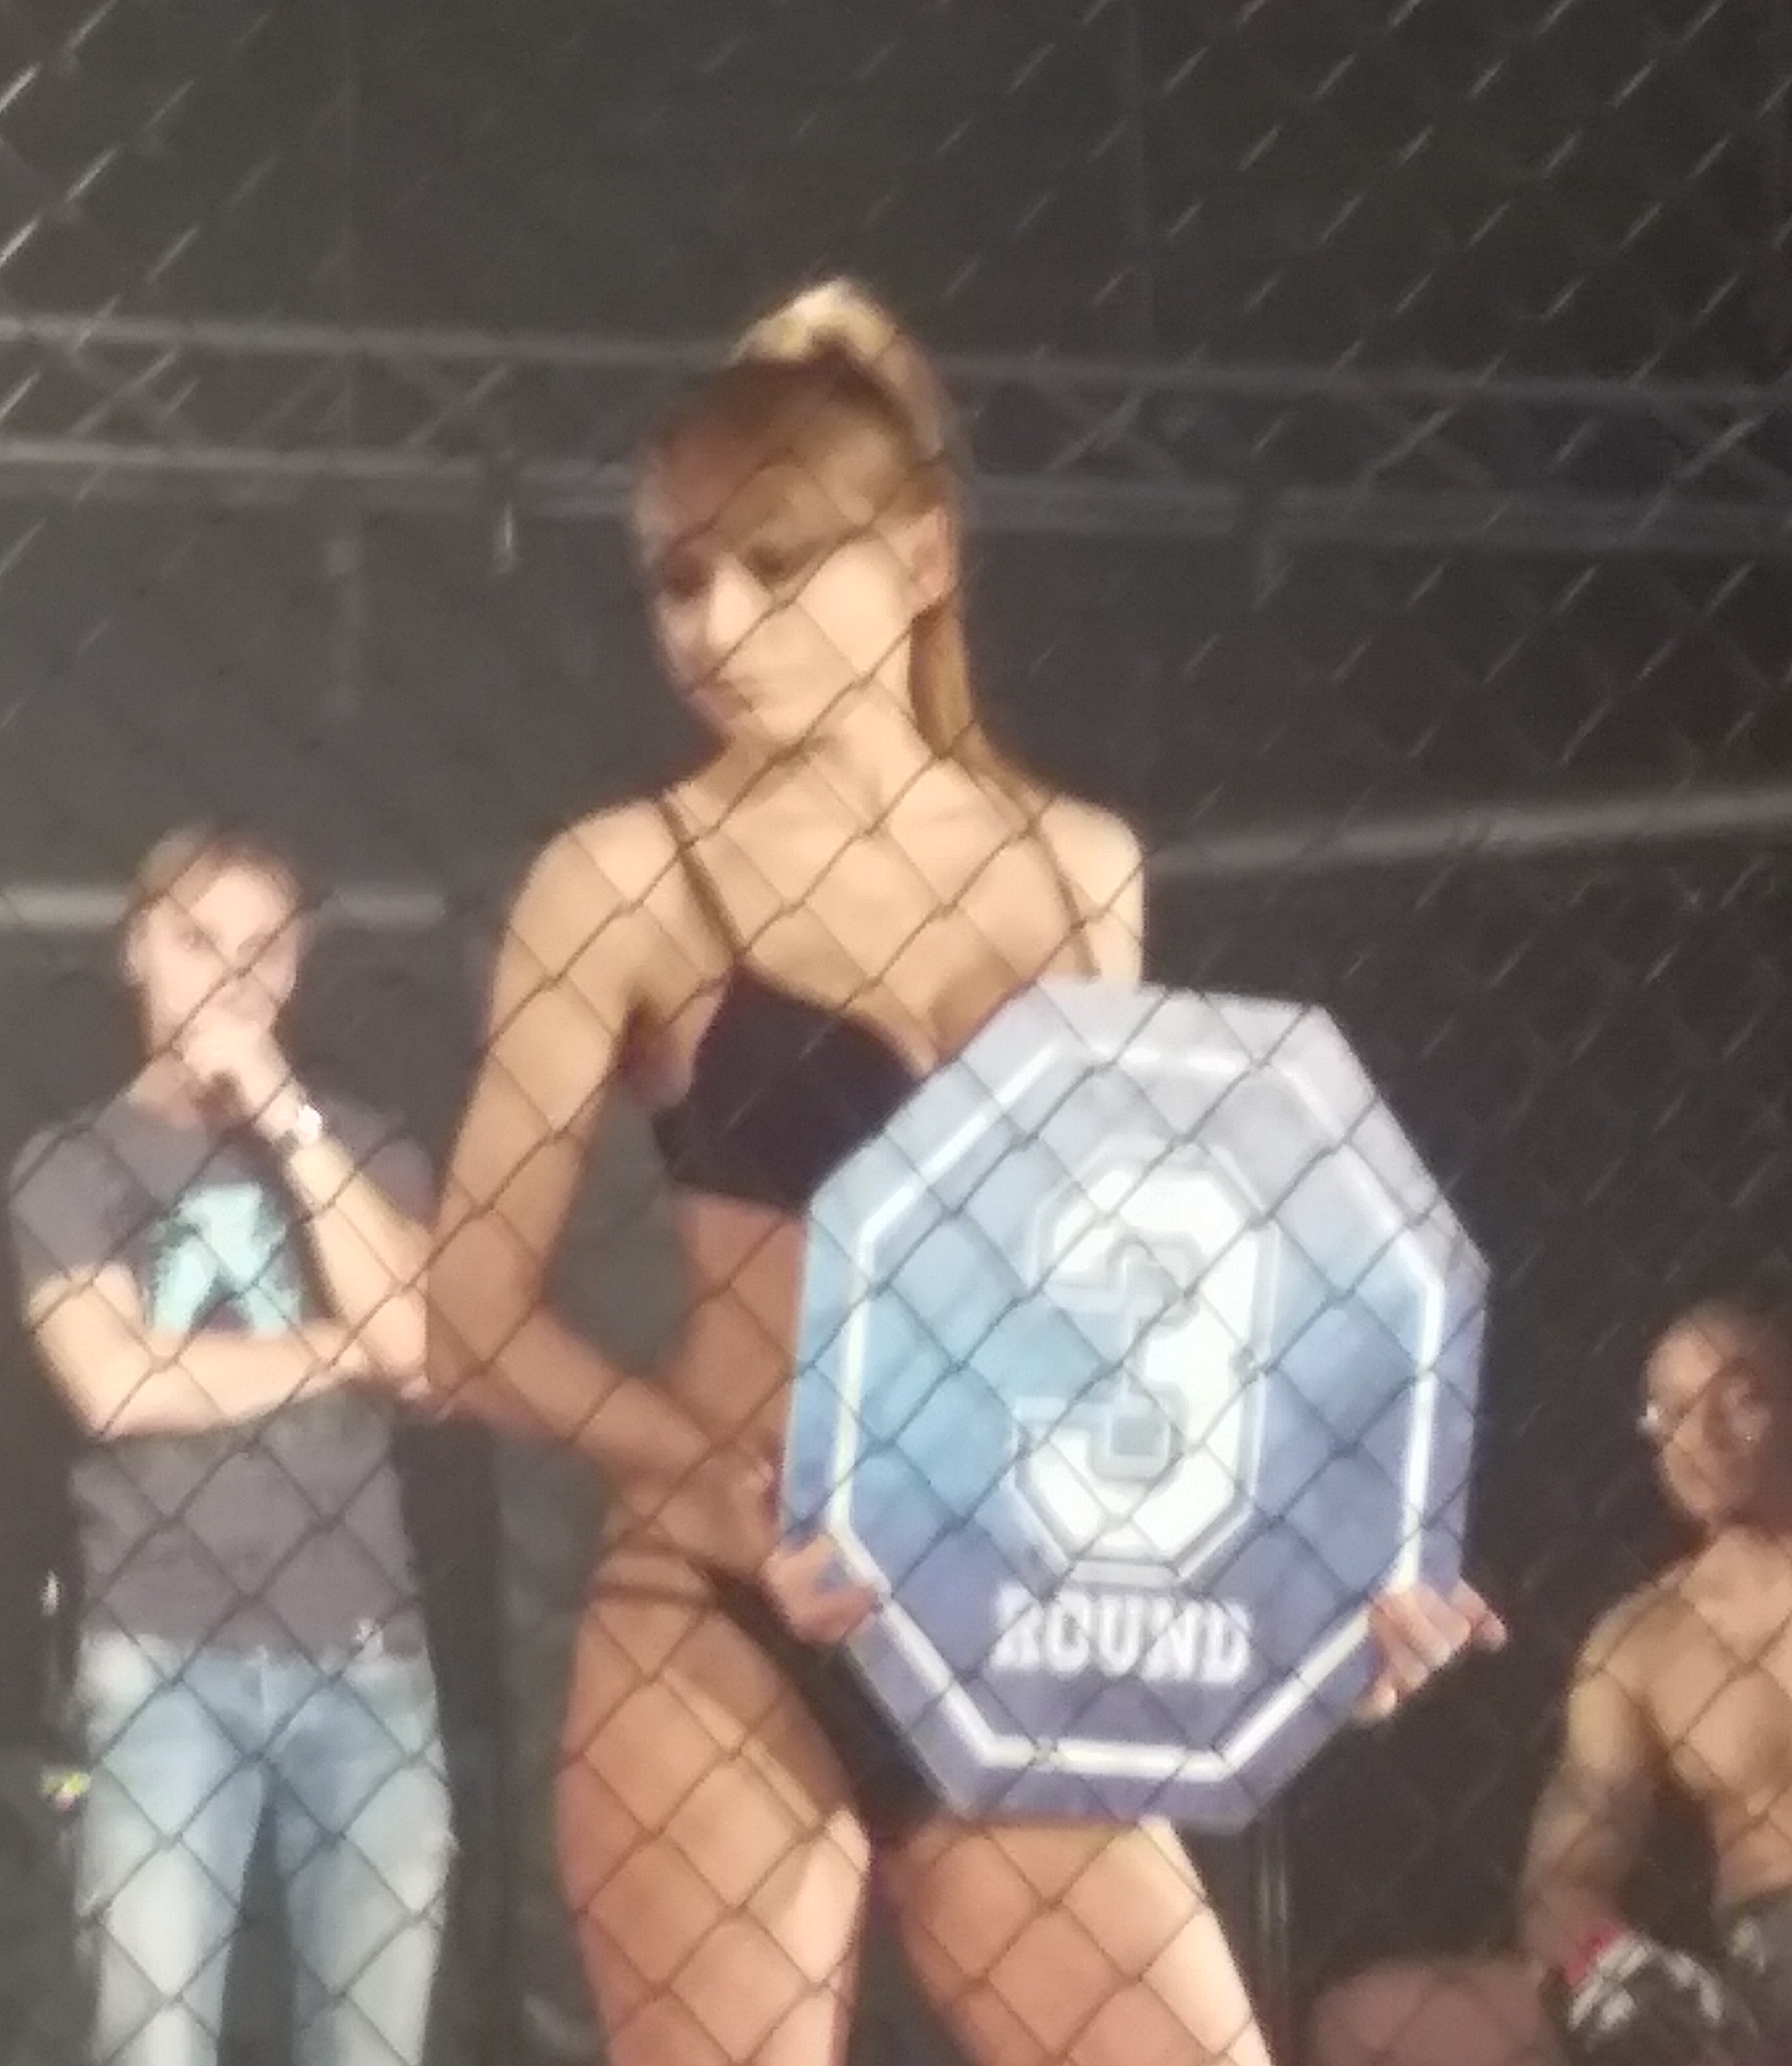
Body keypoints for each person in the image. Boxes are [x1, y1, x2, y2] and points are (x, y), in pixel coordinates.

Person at [419, 275, 1506, 2066]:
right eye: (678, 578)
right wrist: (713, 1484)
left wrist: (1321, 1576)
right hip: (715, 1616)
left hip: (1007, 1625)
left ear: (918, 557)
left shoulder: (1081, 865)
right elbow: (467, 1317)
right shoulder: (618, 876)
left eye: (775, 565)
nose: (713, 622)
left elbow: (1138, 1281)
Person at [8, 824, 450, 2066]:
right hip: (160, 1661)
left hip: (368, 1662)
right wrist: (343, 1346)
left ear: (295, 970)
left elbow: (426, 1348)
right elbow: (112, 1386)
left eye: (262, 952)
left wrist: (284, 1117)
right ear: (138, 949)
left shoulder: (368, 1145)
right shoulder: (70, 1161)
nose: (230, 979)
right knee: (151, 2044)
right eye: (200, 941)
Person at [1310, 1301, 1792, 2066]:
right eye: (1668, 1412)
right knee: (1366, 2023)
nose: (1701, 1434)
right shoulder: (1641, 1639)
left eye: (1739, 1400)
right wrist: (1616, 1970)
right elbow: (1564, 1882)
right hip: (1747, 1984)